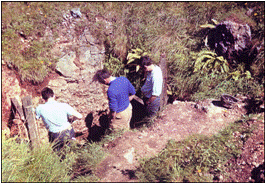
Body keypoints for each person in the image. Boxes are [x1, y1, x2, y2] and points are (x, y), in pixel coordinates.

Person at [35, 87, 83, 152]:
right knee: (71, 151)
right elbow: (80, 116)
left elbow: (36, 118)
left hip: (54, 135)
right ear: (54, 95)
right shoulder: (64, 105)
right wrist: (72, 120)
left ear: (43, 99)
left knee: (58, 155)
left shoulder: (39, 108)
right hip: (68, 131)